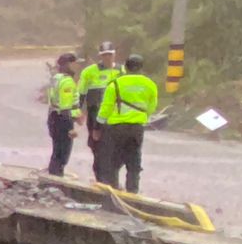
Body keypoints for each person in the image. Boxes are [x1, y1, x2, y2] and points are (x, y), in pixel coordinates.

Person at [96, 53, 159, 193]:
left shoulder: (115, 84)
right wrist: (141, 117)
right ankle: (133, 192)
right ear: (141, 68)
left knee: (114, 162)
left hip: (117, 128)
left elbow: (105, 107)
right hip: (136, 128)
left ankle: (113, 192)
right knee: (134, 161)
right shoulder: (150, 84)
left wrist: (97, 127)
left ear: (125, 67)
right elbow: (152, 106)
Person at [77, 42, 121, 180]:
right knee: (97, 146)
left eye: (110, 55)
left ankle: (113, 179)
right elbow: (81, 94)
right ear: (100, 56)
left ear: (114, 54)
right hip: (95, 115)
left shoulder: (122, 70)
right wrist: (78, 112)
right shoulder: (89, 72)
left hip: (116, 116)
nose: (107, 58)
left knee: (116, 148)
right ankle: (100, 176)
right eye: (104, 55)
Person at [45, 52, 81, 176]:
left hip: (53, 117)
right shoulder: (67, 82)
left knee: (56, 151)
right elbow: (65, 107)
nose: (76, 66)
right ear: (67, 64)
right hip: (63, 119)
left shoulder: (55, 78)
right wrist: (71, 128)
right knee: (63, 153)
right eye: (74, 63)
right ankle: (56, 178)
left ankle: (53, 176)